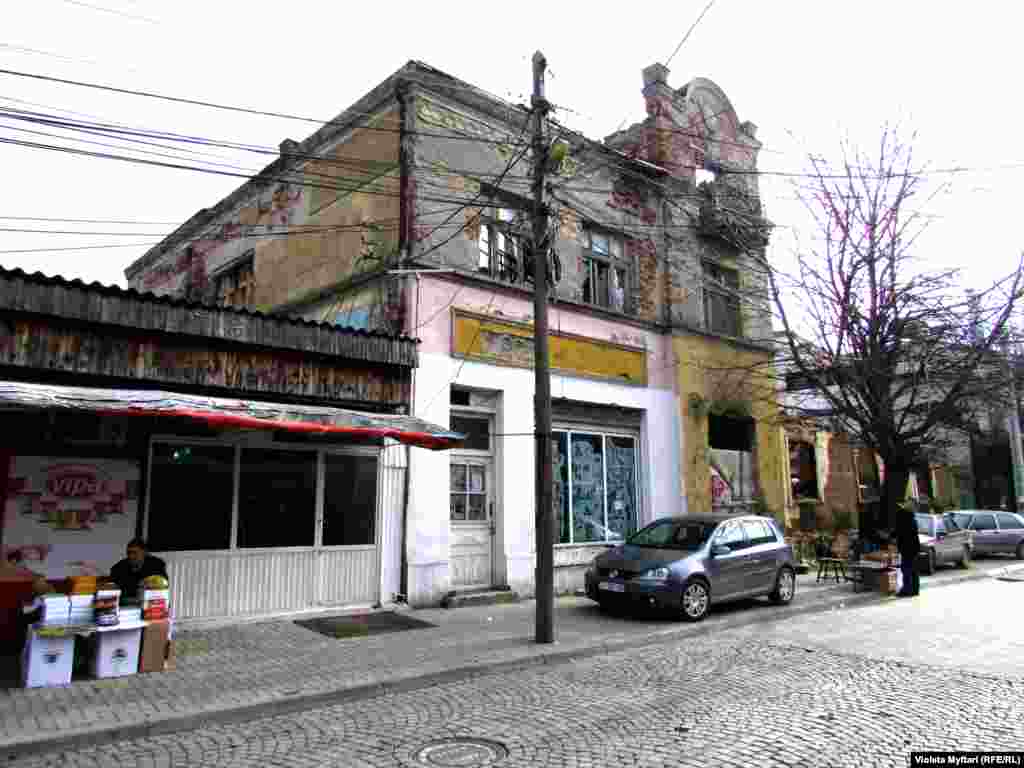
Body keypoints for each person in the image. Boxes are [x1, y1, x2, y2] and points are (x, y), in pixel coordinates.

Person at [894, 508, 920, 597]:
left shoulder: (903, 523)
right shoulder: (913, 521)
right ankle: (915, 590)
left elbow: (899, 534)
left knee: (906, 570)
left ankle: (907, 590)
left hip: (907, 550)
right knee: (914, 570)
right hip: (914, 549)